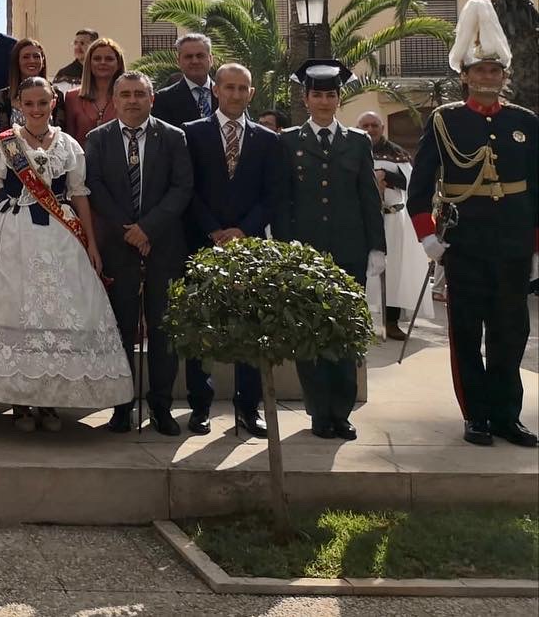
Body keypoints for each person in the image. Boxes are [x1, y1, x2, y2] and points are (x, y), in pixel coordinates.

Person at [0, 76, 133, 430]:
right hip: (12, 231)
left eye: (42, 103)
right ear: (19, 104)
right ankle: (20, 401)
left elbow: (79, 194)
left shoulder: (70, 145)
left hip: (60, 236)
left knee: (58, 314)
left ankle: (50, 401)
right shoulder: (3, 144)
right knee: (15, 307)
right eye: (29, 104)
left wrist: (91, 242)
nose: (36, 110)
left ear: (53, 104)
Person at [407, 0, 537, 448]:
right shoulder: (445, 121)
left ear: (504, 75)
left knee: (511, 331)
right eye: (479, 70)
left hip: (514, 245)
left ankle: (507, 415)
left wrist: (536, 247)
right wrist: (428, 238)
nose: (488, 77)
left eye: (495, 70)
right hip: (465, 243)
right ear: (464, 74)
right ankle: (476, 415)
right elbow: (419, 187)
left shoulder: (525, 122)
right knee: (466, 332)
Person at [275, 61, 385, 442]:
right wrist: (285, 248)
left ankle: (343, 411)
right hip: (305, 253)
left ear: (340, 99)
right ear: (305, 99)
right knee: (311, 334)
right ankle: (319, 412)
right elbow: (283, 200)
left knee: (345, 334)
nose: (324, 101)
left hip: (349, 250)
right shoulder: (287, 141)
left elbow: (368, 197)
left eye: (331, 94)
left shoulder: (358, 141)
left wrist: (377, 247)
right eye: (317, 94)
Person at [86, 71, 193, 436]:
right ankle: (121, 407)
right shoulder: (97, 139)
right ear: (114, 100)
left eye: (140, 94)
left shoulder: (174, 137)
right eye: (126, 94)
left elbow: (182, 187)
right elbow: (95, 188)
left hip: (164, 246)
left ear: (152, 99)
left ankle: (161, 407)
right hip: (118, 247)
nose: (133, 100)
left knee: (164, 330)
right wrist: (128, 231)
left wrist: (148, 228)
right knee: (122, 329)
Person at [181, 62, 283, 438]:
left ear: (251, 93)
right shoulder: (191, 135)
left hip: (250, 245)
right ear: (216, 91)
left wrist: (243, 231)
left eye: (243, 88)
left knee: (250, 327)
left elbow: (273, 195)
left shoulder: (268, 140)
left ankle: (247, 407)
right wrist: (213, 230)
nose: (236, 94)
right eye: (229, 87)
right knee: (199, 327)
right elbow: (187, 188)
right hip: (201, 241)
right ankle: (200, 406)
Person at [358, 110, 428, 340]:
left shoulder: (397, 153)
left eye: (374, 125)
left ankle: (391, 323)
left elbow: (412, 182)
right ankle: (362, 321)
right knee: (363, 270)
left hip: (393, 220)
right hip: (362, 221)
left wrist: (385, 176)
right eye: (365, 125)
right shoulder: (352, 149)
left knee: (395, 271)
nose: (369, 130)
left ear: (382, 128)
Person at [63, 36, 125, 145]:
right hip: (83, 160)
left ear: (118, 63)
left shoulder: (128, 98)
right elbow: (69, 139)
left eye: (109, 59)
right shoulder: (71, 97)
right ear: (89, 63)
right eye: (97, 58)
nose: (103, 62)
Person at [151, 34, 215, 127]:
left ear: (211, 59)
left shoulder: (226, 94)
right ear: (179, 61)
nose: (195, 61)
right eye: (189, 57)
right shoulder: (164, 99)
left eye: (200, 56)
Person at [0, 38, 59, 129]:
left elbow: (61, 130)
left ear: (43, 61)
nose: (32, 61)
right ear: (17, 62)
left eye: (36, 56)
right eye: (26, 57)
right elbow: (2, 131)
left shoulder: (56, 93)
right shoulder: (4, 96)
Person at [53, 28, 98, 93]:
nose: (77, 47)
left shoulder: (101, 71)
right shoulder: (64, 74)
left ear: (94, 46)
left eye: (82, 43)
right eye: (75, 43)